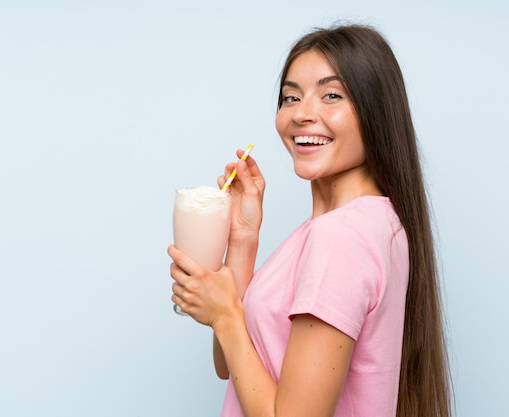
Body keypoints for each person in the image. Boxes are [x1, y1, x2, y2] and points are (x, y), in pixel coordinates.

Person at [168, 23, 452, 417]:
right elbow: (230, 364)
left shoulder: (342, 237)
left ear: (376, 111)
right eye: (290, 97)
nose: (302, 114)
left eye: (331, 95)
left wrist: (224, 314)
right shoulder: (365, 225)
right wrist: (244, 238)